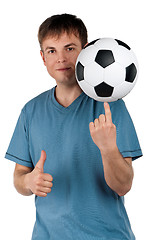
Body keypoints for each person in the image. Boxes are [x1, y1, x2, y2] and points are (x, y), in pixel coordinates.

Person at [5, 13, 142, 240]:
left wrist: (108, 149)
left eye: (69, 48)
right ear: (43, 57)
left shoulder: (111, 106)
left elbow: (123, 186)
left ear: (85, 51)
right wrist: (29, 181)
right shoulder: (30, 111)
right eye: (52, 51)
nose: (61, 58)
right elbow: (19, 177)